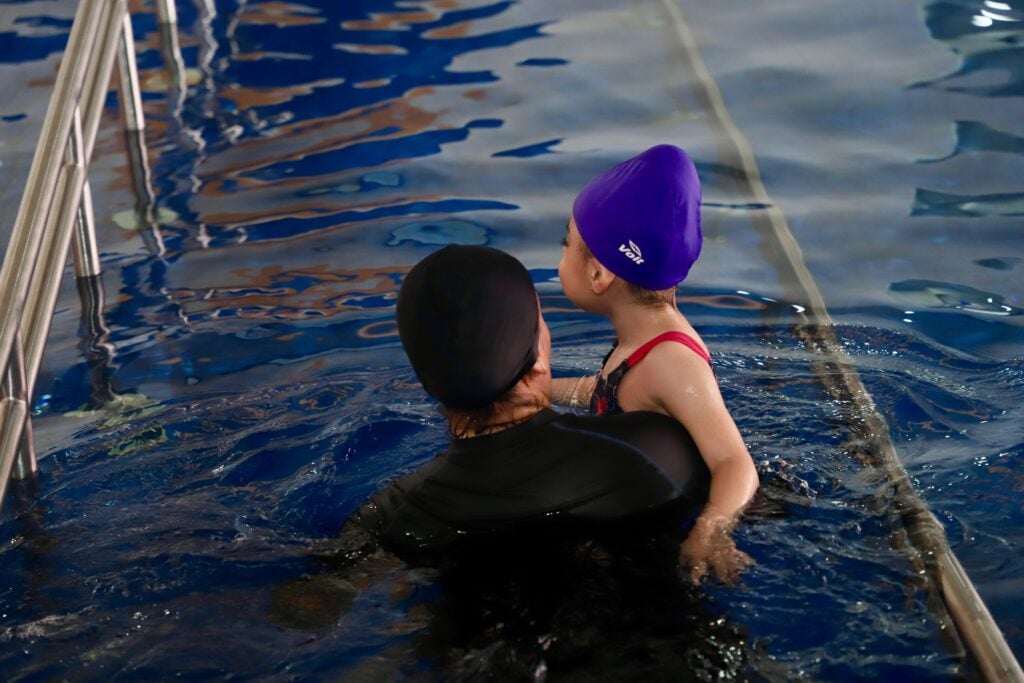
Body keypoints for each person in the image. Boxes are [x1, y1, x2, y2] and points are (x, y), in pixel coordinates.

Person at [339, 244, 712, 562]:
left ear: (426, 379)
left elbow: (309, 608)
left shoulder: (390, 517)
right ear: (537, 359)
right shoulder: (655, 451)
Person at [551, 144, 759, 584]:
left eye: (566, 243)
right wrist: (538, 391)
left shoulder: (672, 361)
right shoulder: (640, 342)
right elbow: (606, 390)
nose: (559, 256)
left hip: (672, 526)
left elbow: (734, 462)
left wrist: (711, 531)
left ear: (598, 276)